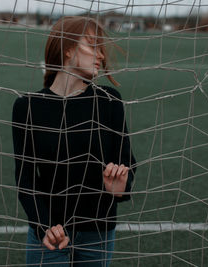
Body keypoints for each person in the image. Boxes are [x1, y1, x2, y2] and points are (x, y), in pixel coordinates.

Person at [12, 16, 136, 266]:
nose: (101, 55)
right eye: (93, 46)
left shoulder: (109, 101)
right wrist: (44, 226)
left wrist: (120, 187)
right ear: (67, 49)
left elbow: (126, 162)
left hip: (97, 233)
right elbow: (25, 179)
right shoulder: (27, 107)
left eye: (102, 48)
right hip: (49, 236)